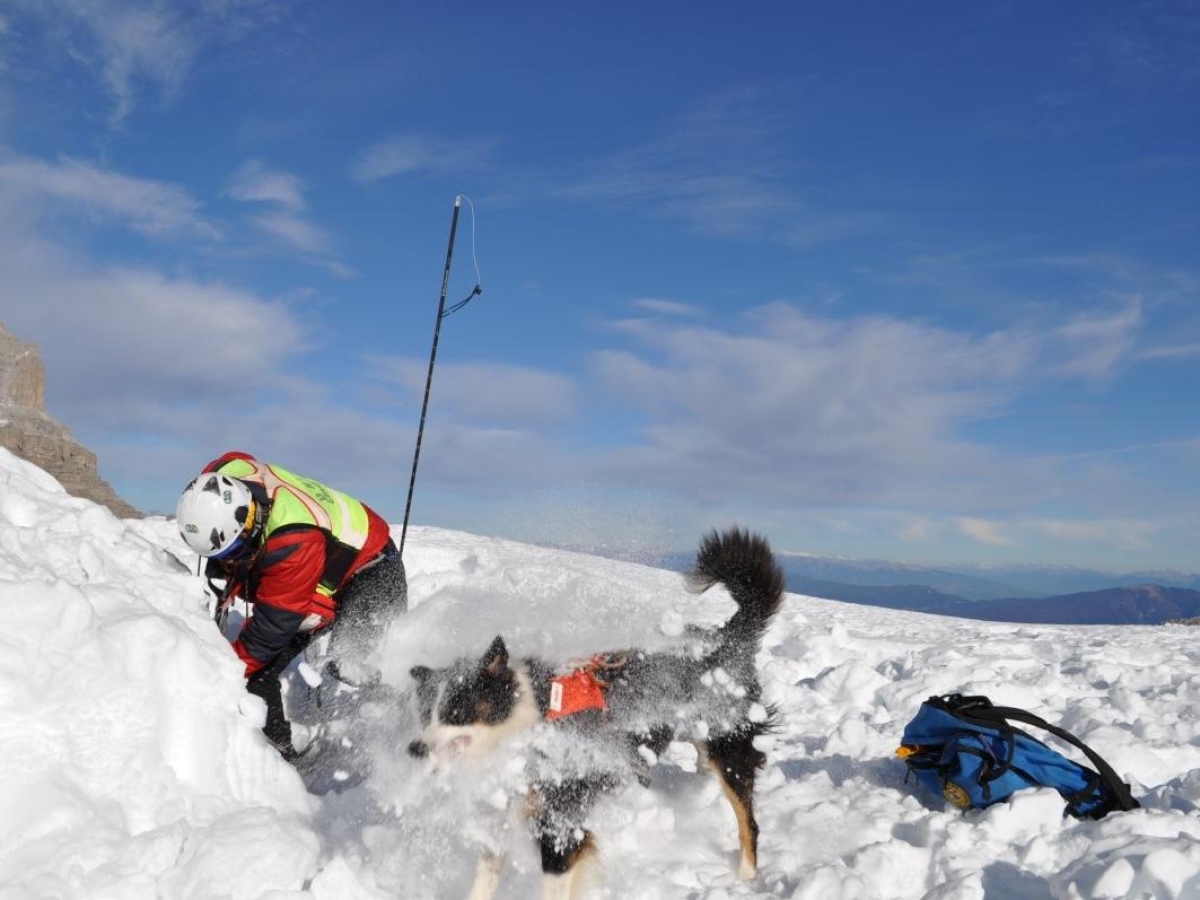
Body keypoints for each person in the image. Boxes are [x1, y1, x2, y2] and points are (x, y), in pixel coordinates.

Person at [176, 451, 407, 759]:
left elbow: (270, 630)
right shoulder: (222, 478)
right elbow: (237, 457)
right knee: (258, 673)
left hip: (374, 570)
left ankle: (402, 714)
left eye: (233, 552)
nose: (228, 562)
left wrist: (223, 673)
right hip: (330, 557)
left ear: (249, 524)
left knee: (350, 664)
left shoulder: (293, 542)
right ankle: (285, 749)